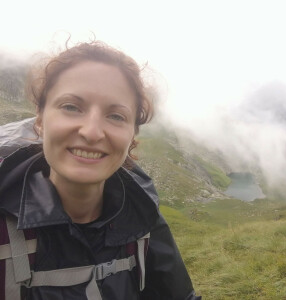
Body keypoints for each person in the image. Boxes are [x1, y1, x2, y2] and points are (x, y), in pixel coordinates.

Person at [0, 41, 201, 299]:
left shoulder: (142, 215)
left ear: (132, 134)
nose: (92, 132)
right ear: (40, 120)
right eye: (71, 107)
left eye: (116, 116)